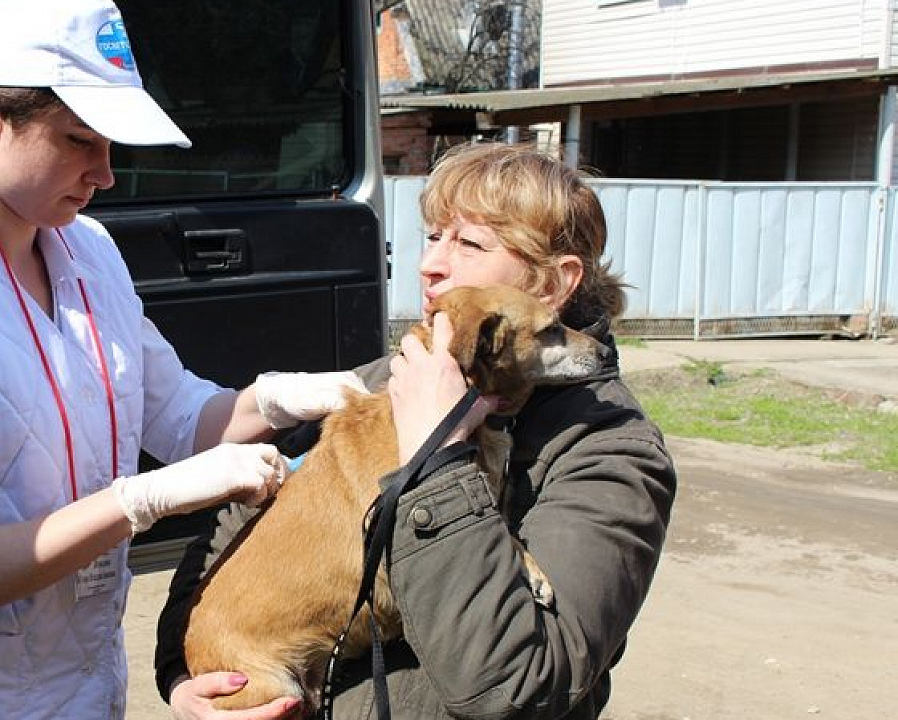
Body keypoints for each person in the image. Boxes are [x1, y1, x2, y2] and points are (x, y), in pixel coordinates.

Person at [0, 0, 363, 717]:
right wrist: (139, 500)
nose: (105, 174)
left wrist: (289, 397)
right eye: (78, 141)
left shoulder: (87, 249)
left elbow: (181, 417)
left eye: (110, 146)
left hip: (86, 689)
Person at [155, 142, 678, 720]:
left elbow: (517, 687)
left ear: (554, 285)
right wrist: (187, 681)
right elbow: (230, 534)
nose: (431, 264)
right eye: (434, 236)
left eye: (470, 244)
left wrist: (441, 453)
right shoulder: (381, 382)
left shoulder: (611, 451)